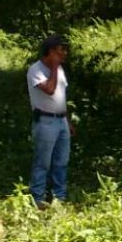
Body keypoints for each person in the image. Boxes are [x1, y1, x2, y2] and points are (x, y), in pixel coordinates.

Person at [28, 34, 71, 206]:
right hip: (45, 121)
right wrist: (54, 66)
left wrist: (68, 120)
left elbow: (61, 96)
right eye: (60, 50)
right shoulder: (35, 70)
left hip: (61, 121)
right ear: (51, 51)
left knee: (61, 161)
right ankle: (37, 198)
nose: (64, 54)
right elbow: (50, 90)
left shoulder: (59, 69)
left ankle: (58, 197)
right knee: (43, 162)